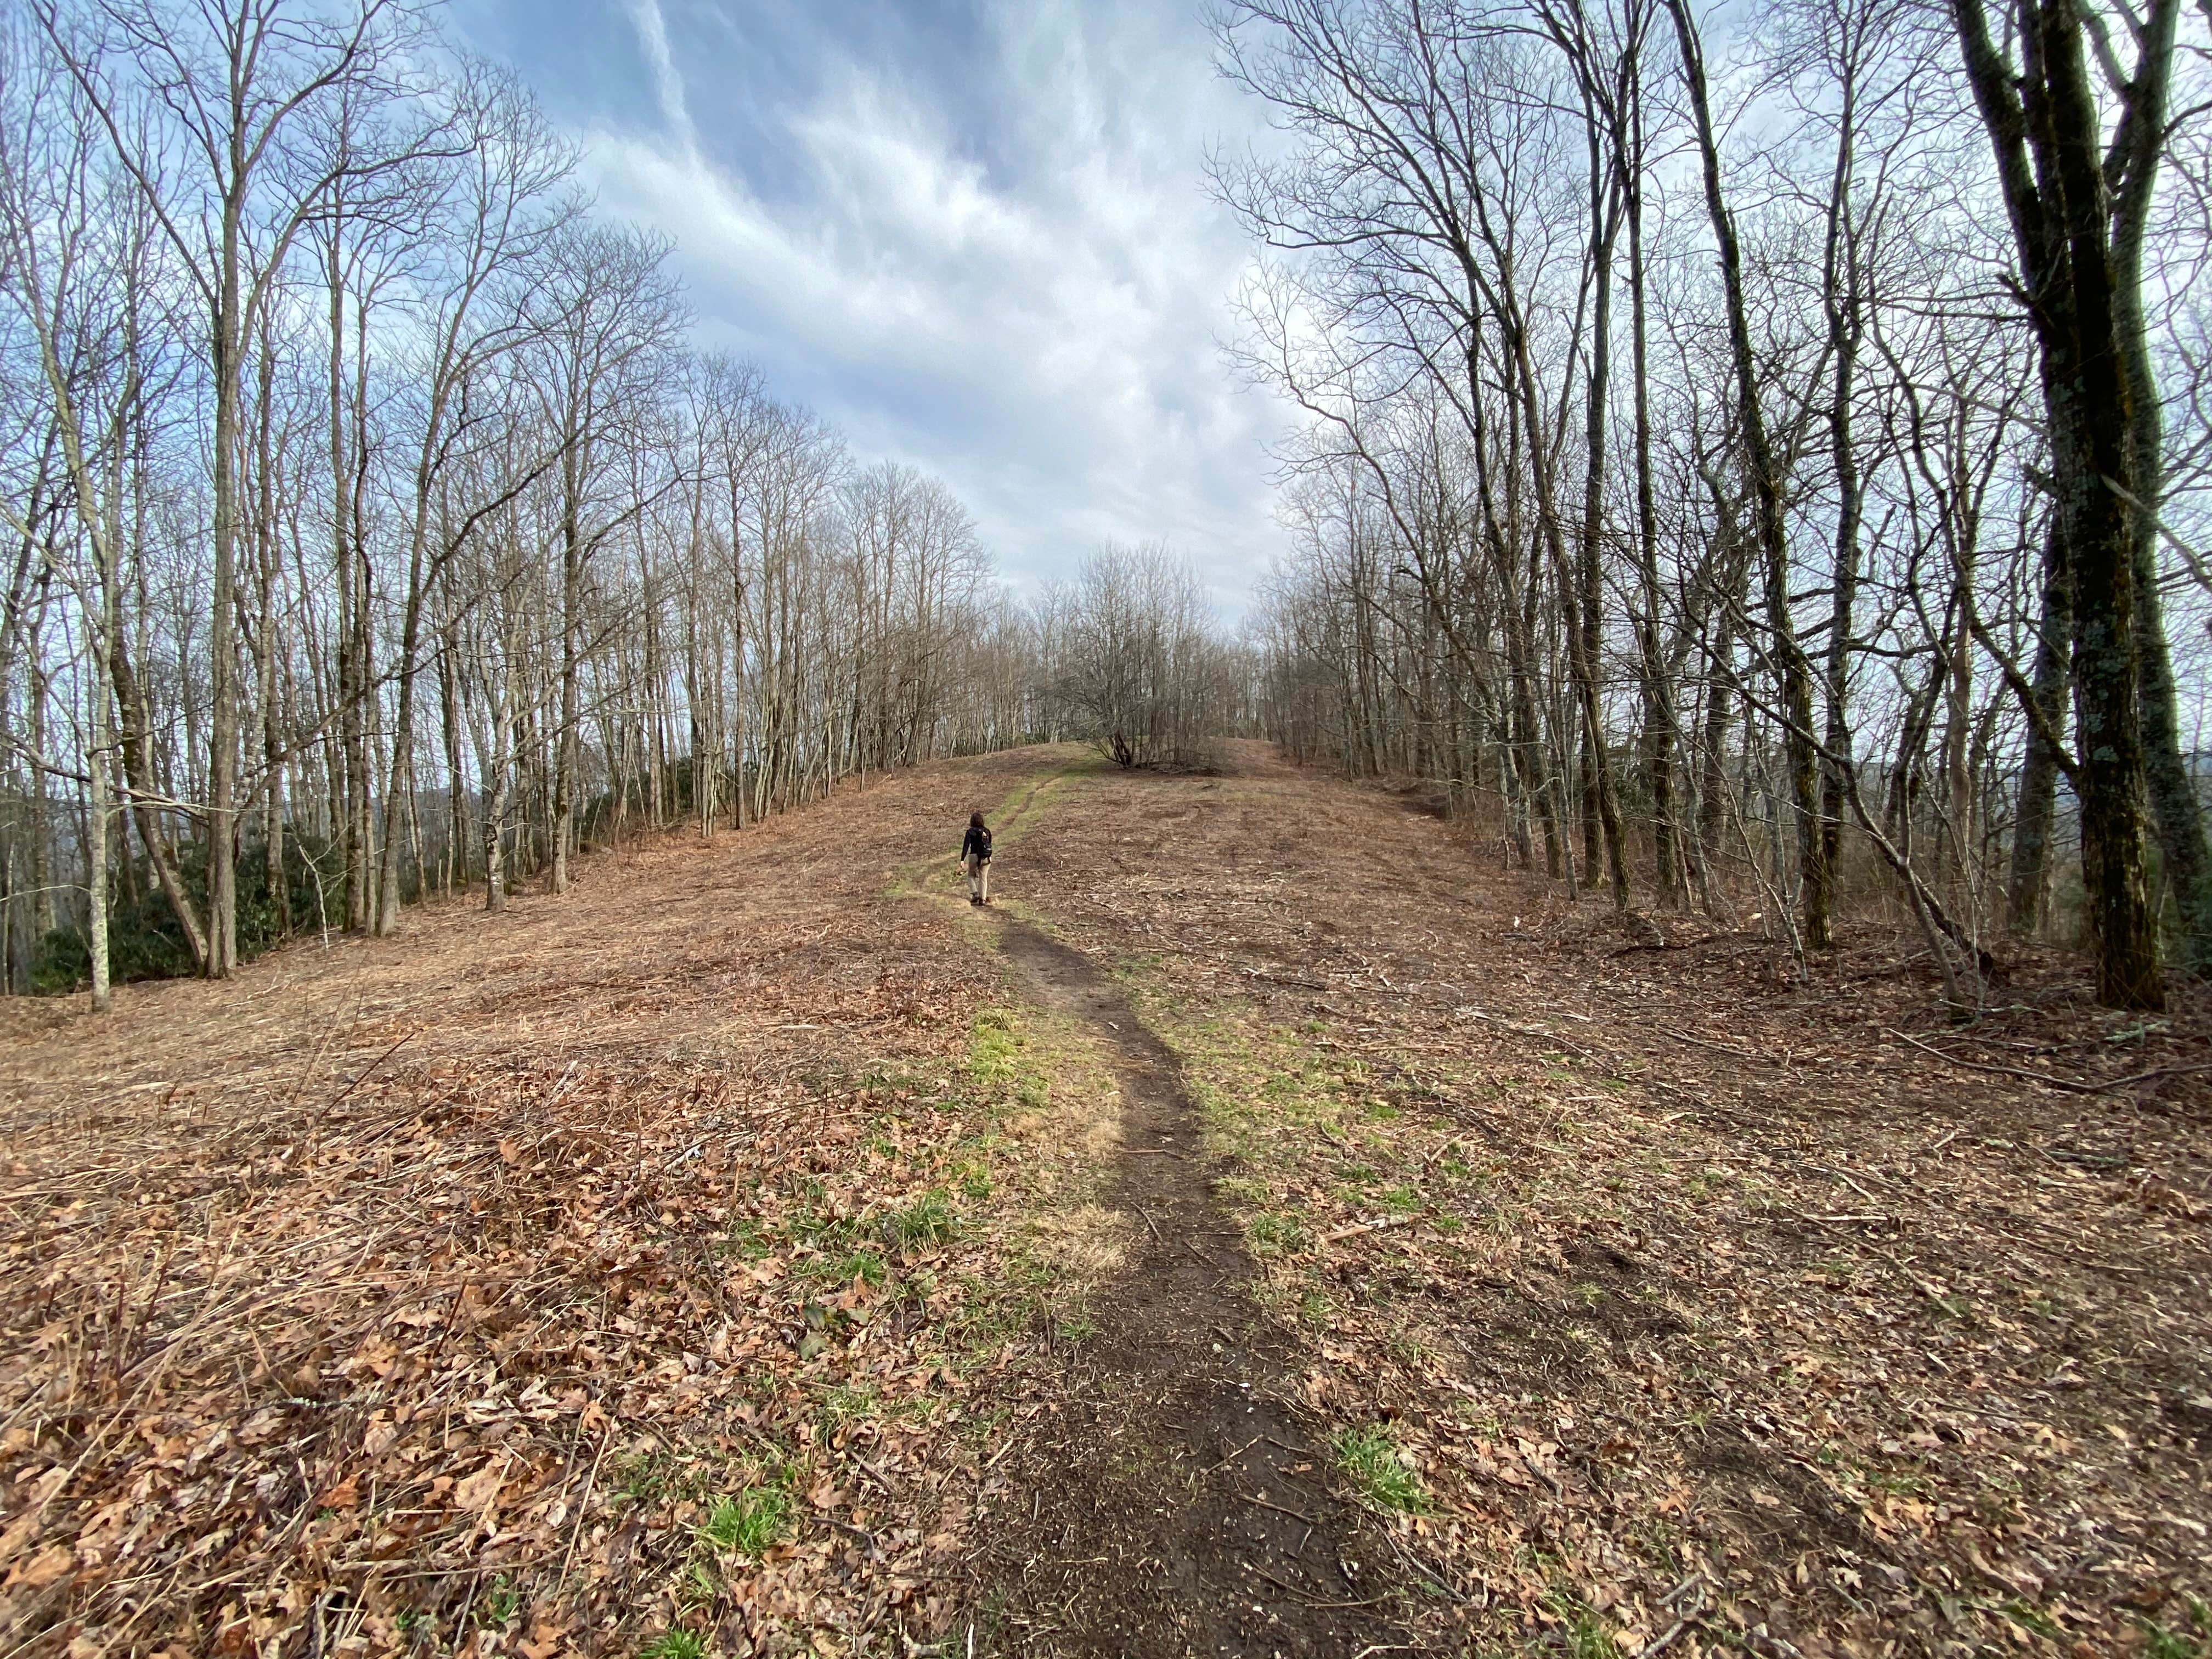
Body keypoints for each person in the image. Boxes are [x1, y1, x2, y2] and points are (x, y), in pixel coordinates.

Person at [960, 810, 993, 906]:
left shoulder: (970, 832)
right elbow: (989, 843)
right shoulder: (987, 831)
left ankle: (975, 894)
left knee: (971, 876)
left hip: (974, 856)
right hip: (986, 857)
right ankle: (983, 899)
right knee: (983, 877)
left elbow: (966, 846)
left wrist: (962, 859)